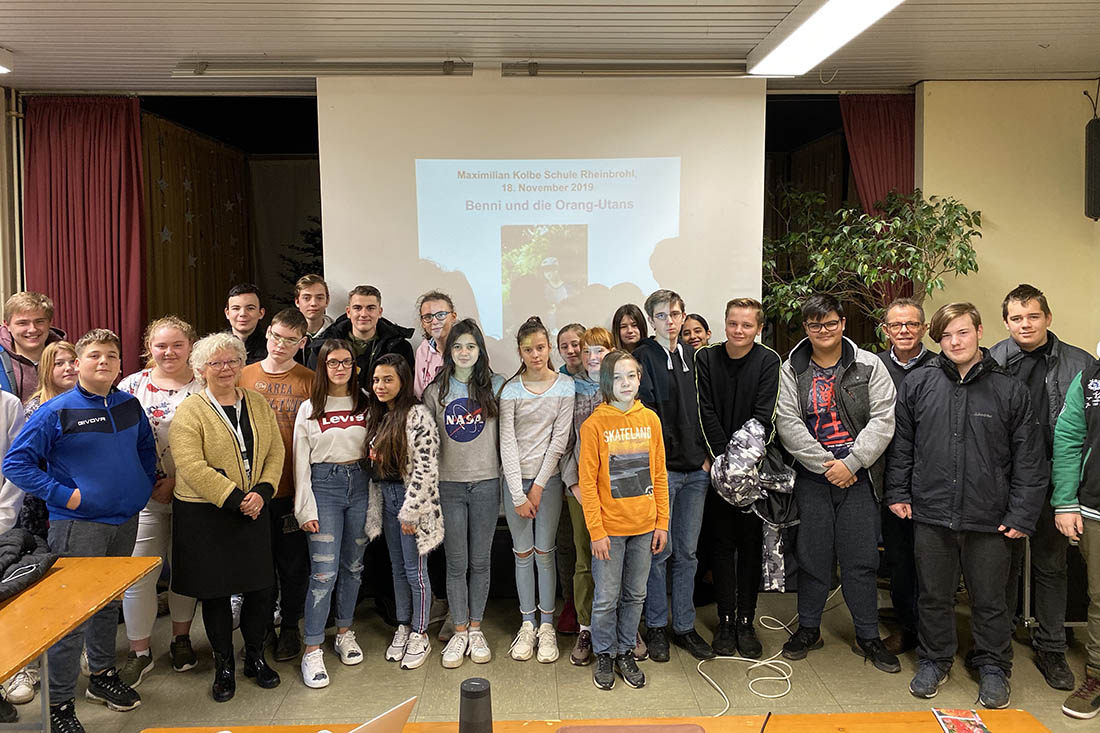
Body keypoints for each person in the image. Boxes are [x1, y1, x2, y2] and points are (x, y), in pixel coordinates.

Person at [886, 302, 1046, 709]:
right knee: (934, 596)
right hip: (931, 512)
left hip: (989, 518)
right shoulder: (919, 384)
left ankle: (993, 666)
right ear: (937, 340)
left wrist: (1021, 513)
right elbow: (902, 446)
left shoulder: (1009, 390)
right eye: (946, 335)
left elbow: (1029, 459)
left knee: (990, 599)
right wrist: (899, 493)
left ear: (979, 331)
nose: (954, 341)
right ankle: (934, 660)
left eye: (962, 332)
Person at [3, 329, 156, 733]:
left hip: (125, 520)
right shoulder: (57, 411)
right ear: (77, 364)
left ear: (121, 364)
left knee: (107, 604)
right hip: (79, 525)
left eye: (111, 355)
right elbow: (16, 464)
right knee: (70, 617)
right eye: (93, 356)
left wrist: (140, 487)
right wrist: (63, 495)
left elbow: (145, 448)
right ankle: (60, 705)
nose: (103, 362)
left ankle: (102, 677)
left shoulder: (129, 405)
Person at [775, 294, 899, 672]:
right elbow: (787, 421)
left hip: (859, 476)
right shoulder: (791, 368)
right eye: (815, 325)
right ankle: (809, 629)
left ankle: (867, 635)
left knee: (860, 558)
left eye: (830, 323)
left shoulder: (869, 365)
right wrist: (825, 464)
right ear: (806, 329)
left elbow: (883, 419)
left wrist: (852, 463)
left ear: (843, 323)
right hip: (813, 476)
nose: (823, 331)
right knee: (813, 556)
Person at [170, 332, 284, 703]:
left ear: (241, 364)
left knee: (260, 589)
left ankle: (254, 657)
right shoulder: (190, 409)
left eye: (232, 361)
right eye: (216, 363)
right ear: (201, 369)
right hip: (207, 513)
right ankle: (224, 666)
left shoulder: (256, 401)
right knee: (216, 594)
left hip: (254, 507)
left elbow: (275, 450)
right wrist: (236, 498)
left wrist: (263, 491)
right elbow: (190, 465)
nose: (225, 368)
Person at [990, 284, 1092, 691]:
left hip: (1055, 479)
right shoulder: (993, 359)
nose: (1025, 324)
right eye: (1017, 317)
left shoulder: (1080, 362)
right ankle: (998, 648)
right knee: (1003, 566)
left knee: (1051, 566)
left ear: (1048, 318)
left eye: (1033, 316)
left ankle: (1051, 646)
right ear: (1006, 322)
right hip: (1006, 481)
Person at [117, 317, 201, 688]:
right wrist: (150, 482)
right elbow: (117, 443)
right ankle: (139, 652)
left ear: (190, 346)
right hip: (143, 496)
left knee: (185, 569)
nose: (169, 352)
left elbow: (214, 443)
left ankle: (181, 640)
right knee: (141, 575)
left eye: (177, 345)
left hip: (192, 493)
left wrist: (178, 480)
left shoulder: (204, 386)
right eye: (161, 345)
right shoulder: (131, 386)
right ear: (149, 347)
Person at [695, 298, 780, 659]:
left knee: (749, 546)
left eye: (747, 325)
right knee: (719, 544)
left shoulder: (768, 361)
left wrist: (741, 466)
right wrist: (723, 462)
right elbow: (705, 410)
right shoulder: (705, 358)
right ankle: (725, 620)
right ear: (725, 323)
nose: (739, 331)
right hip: (718, 469)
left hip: (751, 469)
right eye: (733, 324)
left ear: (758, 328)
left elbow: (764, 416)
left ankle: (746, 621)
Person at [580, 350, 670, 690]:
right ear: (606, 382)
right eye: (618, 377)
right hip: (610, 531)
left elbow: (659, 474)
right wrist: (596, 530)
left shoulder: (651, 421)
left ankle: (624, 650)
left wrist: (662, 521)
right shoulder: (594, 425)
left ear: (639, 379)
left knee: (635, 594)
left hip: (645, 527)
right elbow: (587, 483)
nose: (625, 383)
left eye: (631, 376)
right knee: (606, 596)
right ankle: (603, 652)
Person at [633, 289, 713, 662]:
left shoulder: (695, 357)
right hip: (662, 473)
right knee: (658, 554)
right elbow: (645, 417)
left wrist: (706, 457)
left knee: (688, 554)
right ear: (652, 320)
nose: (670, 321)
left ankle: (684, 627)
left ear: (684, 317)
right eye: (662, 315)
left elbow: (705, 410)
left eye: (676, 314)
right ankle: (656, 627)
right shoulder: (643, 358)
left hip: (695, 472)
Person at [422, 319, 504, 668]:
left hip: (486, 483)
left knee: (480, 561)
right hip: (449, 486)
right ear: (448, 351)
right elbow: (426, 446)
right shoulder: (434, 392)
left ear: (480, 350)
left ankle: (475, 628)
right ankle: (458, 631)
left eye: (471, 346)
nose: (464, 352)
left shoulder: (496, 386)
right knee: (456, 563)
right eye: (458, 347)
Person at [293, 339, 370, 689]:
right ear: (322, 367)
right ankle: (312, 648)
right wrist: (304, 507)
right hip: (324, 487)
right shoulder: (309, 407)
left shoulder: (367, 401)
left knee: (353, 568)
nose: (340, 368)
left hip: (361, 485)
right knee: (323, 573)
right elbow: (300, 463)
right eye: (333, 362)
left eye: (346, 362)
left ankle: (344, 632)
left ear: (354, 365)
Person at [239, 308, 314, 663]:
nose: (281, 345)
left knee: (293, 564)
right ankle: (262, 626)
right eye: (276, 336)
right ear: (267, 332)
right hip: (252, 489)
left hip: (292, 488)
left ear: (302, 343)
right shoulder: (243, 376)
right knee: (257, 563)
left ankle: (290, 628)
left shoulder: (310, 380)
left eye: (290, 340)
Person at [499, 316, 575, 663]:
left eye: (541, 348)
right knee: (522, 553)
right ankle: (526, 624)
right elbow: (507, 443)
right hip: (515, 483)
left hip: (548, 481)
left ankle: (546, 626)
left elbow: (559, 440)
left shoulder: (564, 386)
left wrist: (539, 486)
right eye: (528, 350)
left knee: (545, 552)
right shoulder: (510, 390)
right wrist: (518, 493)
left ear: (549, 347)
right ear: (520, 351)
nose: (535, 355)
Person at [363, 354, 444, 670]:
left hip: (411, 502)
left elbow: (426, 468)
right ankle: (403, 625)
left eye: (388, 380)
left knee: (415, 570)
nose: (380, 386)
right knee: (397, 567)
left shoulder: (417, 414)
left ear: (403, 381)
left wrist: (411, 511)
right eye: (376, 380)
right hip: (385, 496)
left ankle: (420, 632)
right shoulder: (379, 414)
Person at [876, 297, 937, 655]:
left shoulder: (940, 366)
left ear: (924, 328)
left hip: (932, 479)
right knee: (898, 558)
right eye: (896, 325)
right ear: (885, 330)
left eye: (911, 324)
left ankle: (931, 633)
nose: (904, 331)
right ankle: (906, 626)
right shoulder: (874, 366)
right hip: (889, 479)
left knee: (930, 562)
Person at [560, 326, 616, 666]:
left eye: (600, 351)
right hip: (580, 489)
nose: (593, 358)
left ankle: (621, 627)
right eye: (587, 352)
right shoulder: (570, 390)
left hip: (618, 493)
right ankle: (586, 628)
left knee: (615, 560)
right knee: (584, 560)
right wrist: (575, 485)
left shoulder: (623, 389)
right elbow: (564, 443)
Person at [1051, 351, 1100, 718]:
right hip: (1095, 507)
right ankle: (1097, 676)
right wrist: (1065, 501)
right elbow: (1068, 438)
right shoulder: (1089, 378)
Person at [8, 340, 79, 541]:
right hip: (42, 499)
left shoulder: (91, 403)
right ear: (47, 369)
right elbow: (24, 462)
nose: (68, 368)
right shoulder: (35, 409)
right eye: (59, 364)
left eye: (72, 361)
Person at [554, 322, 586, 634]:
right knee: (566, 544)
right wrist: (571, 478)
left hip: (598, 479)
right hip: (564, 475)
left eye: (577, 344)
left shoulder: (601, 379)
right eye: (565, 346)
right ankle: (571, 604)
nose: (572, 350)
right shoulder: (558, 382)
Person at [307, 285, 414, 377]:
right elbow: (315, 385)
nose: (363, 314)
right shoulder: (323, 347)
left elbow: (405, 388)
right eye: (357, 308)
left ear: (379, 312)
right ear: (348, 312)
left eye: (370, 308)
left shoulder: (399, 348)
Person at [0, 291, 66, 400]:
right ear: (7, 325)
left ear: (50, 323)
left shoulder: (71, 358)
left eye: (39, 322)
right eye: (22, 323)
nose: (32, 329)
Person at [413, 290, 457, 399]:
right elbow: (418, 393)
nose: (435, 321)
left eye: (441, 315)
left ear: (453, 317)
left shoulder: (467, 348)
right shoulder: (422, 351)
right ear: (423, 323)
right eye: (428, 317)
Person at [293, 274, 334, 366]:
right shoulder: (288, 336)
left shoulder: (337, 335)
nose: (313, 303)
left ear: (327, 301)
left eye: (319, 298)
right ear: (297, 302)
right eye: (306, 298)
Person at [225, 283, 267, 364]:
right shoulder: (214, 348)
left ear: (261, 313)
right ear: (227, 313)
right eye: (236, 308)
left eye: (250, 308)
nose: (243, 314)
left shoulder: (272, 348)